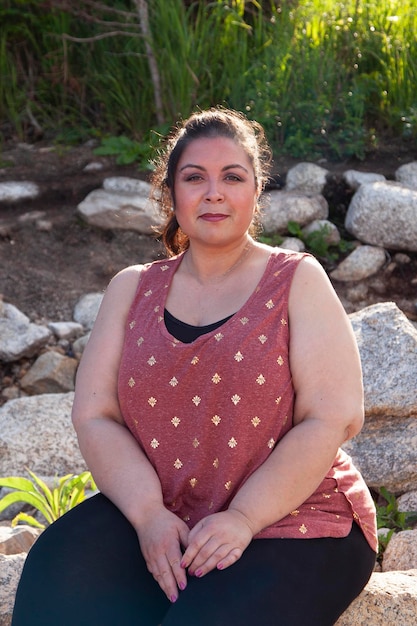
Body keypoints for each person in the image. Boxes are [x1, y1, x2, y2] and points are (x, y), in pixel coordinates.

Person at [12, 107, 377, 626]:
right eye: (194, 178)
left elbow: (334, 416)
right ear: (171, 192)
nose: (214, 192)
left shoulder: (296, 279)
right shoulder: (131, 288)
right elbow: (96, 416)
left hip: (295, 518)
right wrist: (147, 517)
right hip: (163, 510)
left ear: (255, 191)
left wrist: (244, 519)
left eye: (232, 177)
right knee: (57, 580)